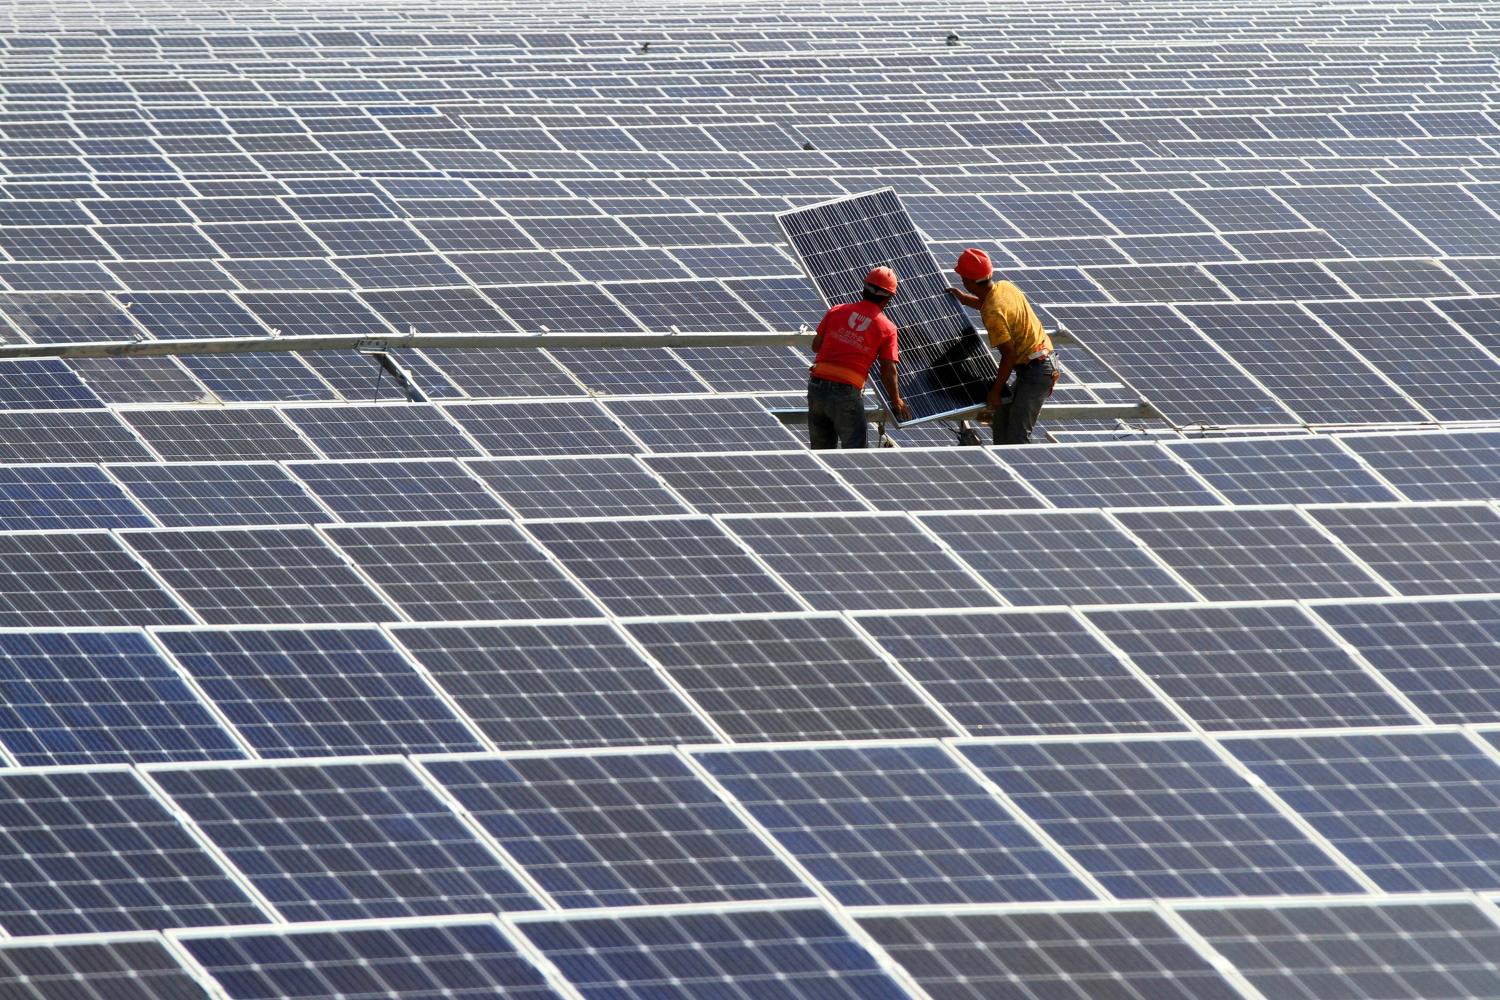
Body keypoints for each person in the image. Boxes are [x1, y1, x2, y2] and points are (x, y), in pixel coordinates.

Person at [946, 247, 1055, 445]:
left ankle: (1020, 471)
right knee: (1001, 423)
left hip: (1038, 371)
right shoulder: (1005, 287)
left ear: (967, 280)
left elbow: (1009, 355)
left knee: (1017, 436)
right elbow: (991, 304)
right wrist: (963, 299)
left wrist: (995, 391)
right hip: (1038, 363)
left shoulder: (992, 313)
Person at [806, 266, 912, 448]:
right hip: (846, 392)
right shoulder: (887, 328)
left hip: (816, 387)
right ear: (888, 298)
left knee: (821, 454)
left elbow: (816, 346)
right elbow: (888, 369)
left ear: (863, 288)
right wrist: (896, 401)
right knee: (856, 455)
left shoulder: (837, 310)